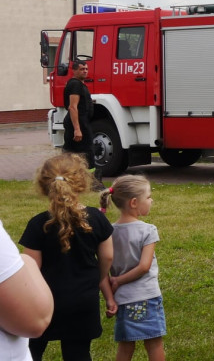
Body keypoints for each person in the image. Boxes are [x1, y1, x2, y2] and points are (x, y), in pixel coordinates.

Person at [19, 153, 115, 361]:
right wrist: (100, 277)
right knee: (78, 353)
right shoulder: (96, 219)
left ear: (44, 185)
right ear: (82, 183)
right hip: (83, 301)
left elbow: (30, 269)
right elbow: (107, 256)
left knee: (31, 350)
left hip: (44, 303)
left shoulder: (37, 224)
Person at [100, 175, 166, 361]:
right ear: (134, 202)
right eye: (149, 197)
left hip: (122, 300)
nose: (151, 200)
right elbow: (144, 266)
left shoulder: (108, 232)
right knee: (154, 344)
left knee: (125, 345)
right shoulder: (148, 230)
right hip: (147, 297)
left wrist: (110, 296)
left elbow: (102, 270)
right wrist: (118, 280)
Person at [0, 217, 53, 361]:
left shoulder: (38, 223)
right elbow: (36, 320)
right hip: (76, 302)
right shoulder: (95, 218)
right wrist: (26, 260)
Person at [62, 60, 98, 183]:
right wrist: (77, 129)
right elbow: (72, 107)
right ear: (74, 70)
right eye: (82, 69)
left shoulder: (79, 85)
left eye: (86, 69)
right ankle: (93, 182)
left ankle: (71, 180)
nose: (85, 71)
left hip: (81, 122)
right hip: (78, 124)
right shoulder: (75, 85)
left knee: (73, 152)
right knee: (87, 152)